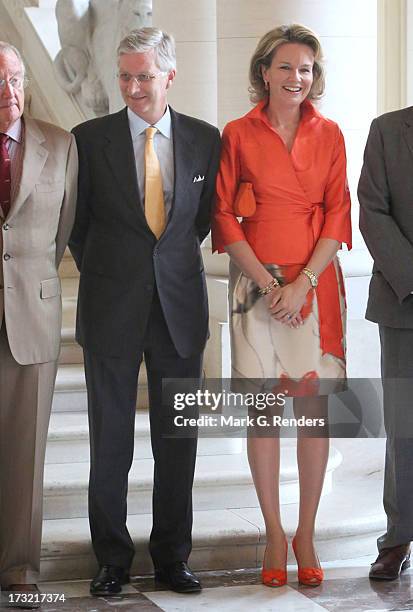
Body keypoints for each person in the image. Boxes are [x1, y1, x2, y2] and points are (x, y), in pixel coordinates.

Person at [69, 27, 221, 595]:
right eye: (126, 76)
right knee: (110, 439)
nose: (133, 87)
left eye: (145, 77)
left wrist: (161, 268)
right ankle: (111, 559)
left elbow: (199, 222)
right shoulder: (87, 140)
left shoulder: (207, 141)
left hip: (179, 310)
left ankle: (171, 558)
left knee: (177, 440)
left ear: (170, 76)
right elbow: (76, 229)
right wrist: (117, 273)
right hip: (110, 307)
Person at [212, 24, 351, 587]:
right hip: (255, 289)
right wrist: (270, 289)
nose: (298, 78)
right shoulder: (238, 133)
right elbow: (222, 215)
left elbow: (339, 215)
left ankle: (307, 530)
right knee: (265, 416)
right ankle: (273, 530)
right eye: (288, 67)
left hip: (314, 288)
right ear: (264, 72)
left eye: (307, 69)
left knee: (314, 419)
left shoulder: (332, 134)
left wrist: (302, 285)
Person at [0, 42, 77, 608]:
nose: (11, 93)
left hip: (33, 309)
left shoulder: (61, 143)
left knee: (26, 453)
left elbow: (64, 232)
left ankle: (21, 567)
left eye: (17, 79)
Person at [359, 108, 413, 580]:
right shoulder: (388, 130)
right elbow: (372, 211)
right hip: (404, 302)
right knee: (404, 426)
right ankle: (398, 538)